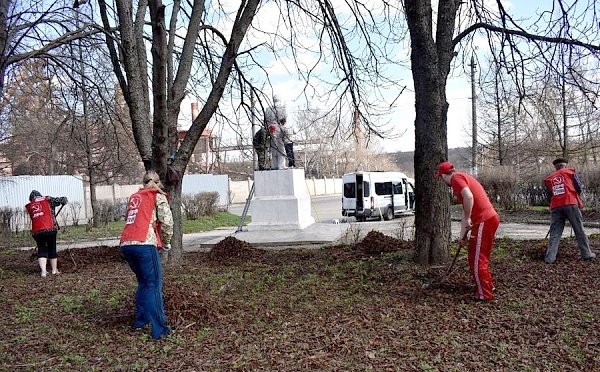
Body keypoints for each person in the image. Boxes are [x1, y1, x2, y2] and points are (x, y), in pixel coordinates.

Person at [120, 170, 174, 339]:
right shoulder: (157, 195)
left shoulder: (135, 197)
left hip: (126, 244)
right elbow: (167, 222)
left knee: (143, 283)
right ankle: (160, 329)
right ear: (158, 183)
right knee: (154, 285)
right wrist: (166, 242)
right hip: (145, 243)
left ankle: (141, 320)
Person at [438, 161, 500, 301]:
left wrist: (468, 218)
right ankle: (487, 286)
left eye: (440, 177)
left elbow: (469, 197)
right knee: (475, 256)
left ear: (443, 175)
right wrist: (462, 236)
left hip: (484, 220)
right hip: (487, 219)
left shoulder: (456, 179)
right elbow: (465, 208)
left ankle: (485, 294)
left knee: (478, 258)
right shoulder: (463, 176)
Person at [543, 158, 596, 263]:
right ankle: (587, 254)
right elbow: (578, 188)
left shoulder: (550, 178)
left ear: (555, 167)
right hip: (570, 203)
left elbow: (549, 196)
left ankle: (550, 258)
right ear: (565, 165)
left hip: (556, 206)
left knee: (555, 232)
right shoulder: (570, 172)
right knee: (579, 229)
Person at [25, 190, 68, 277]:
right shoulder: (47, 199)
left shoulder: (29, 206)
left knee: (42, 250)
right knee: (52, 248)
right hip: (50, 229)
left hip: (37, 231)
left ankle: (43, 272)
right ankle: (54, 270)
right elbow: (61, 200)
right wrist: (64, 200)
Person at [265, 96, 287, 170]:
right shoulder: (282, 109)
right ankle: (281, 165)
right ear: (279, 100)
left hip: (270, 129)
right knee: (281, 148)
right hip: (279, 129)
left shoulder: (267, 109)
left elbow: (265, 121)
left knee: (273, 148)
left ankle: (275, 165)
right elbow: (284, 120)